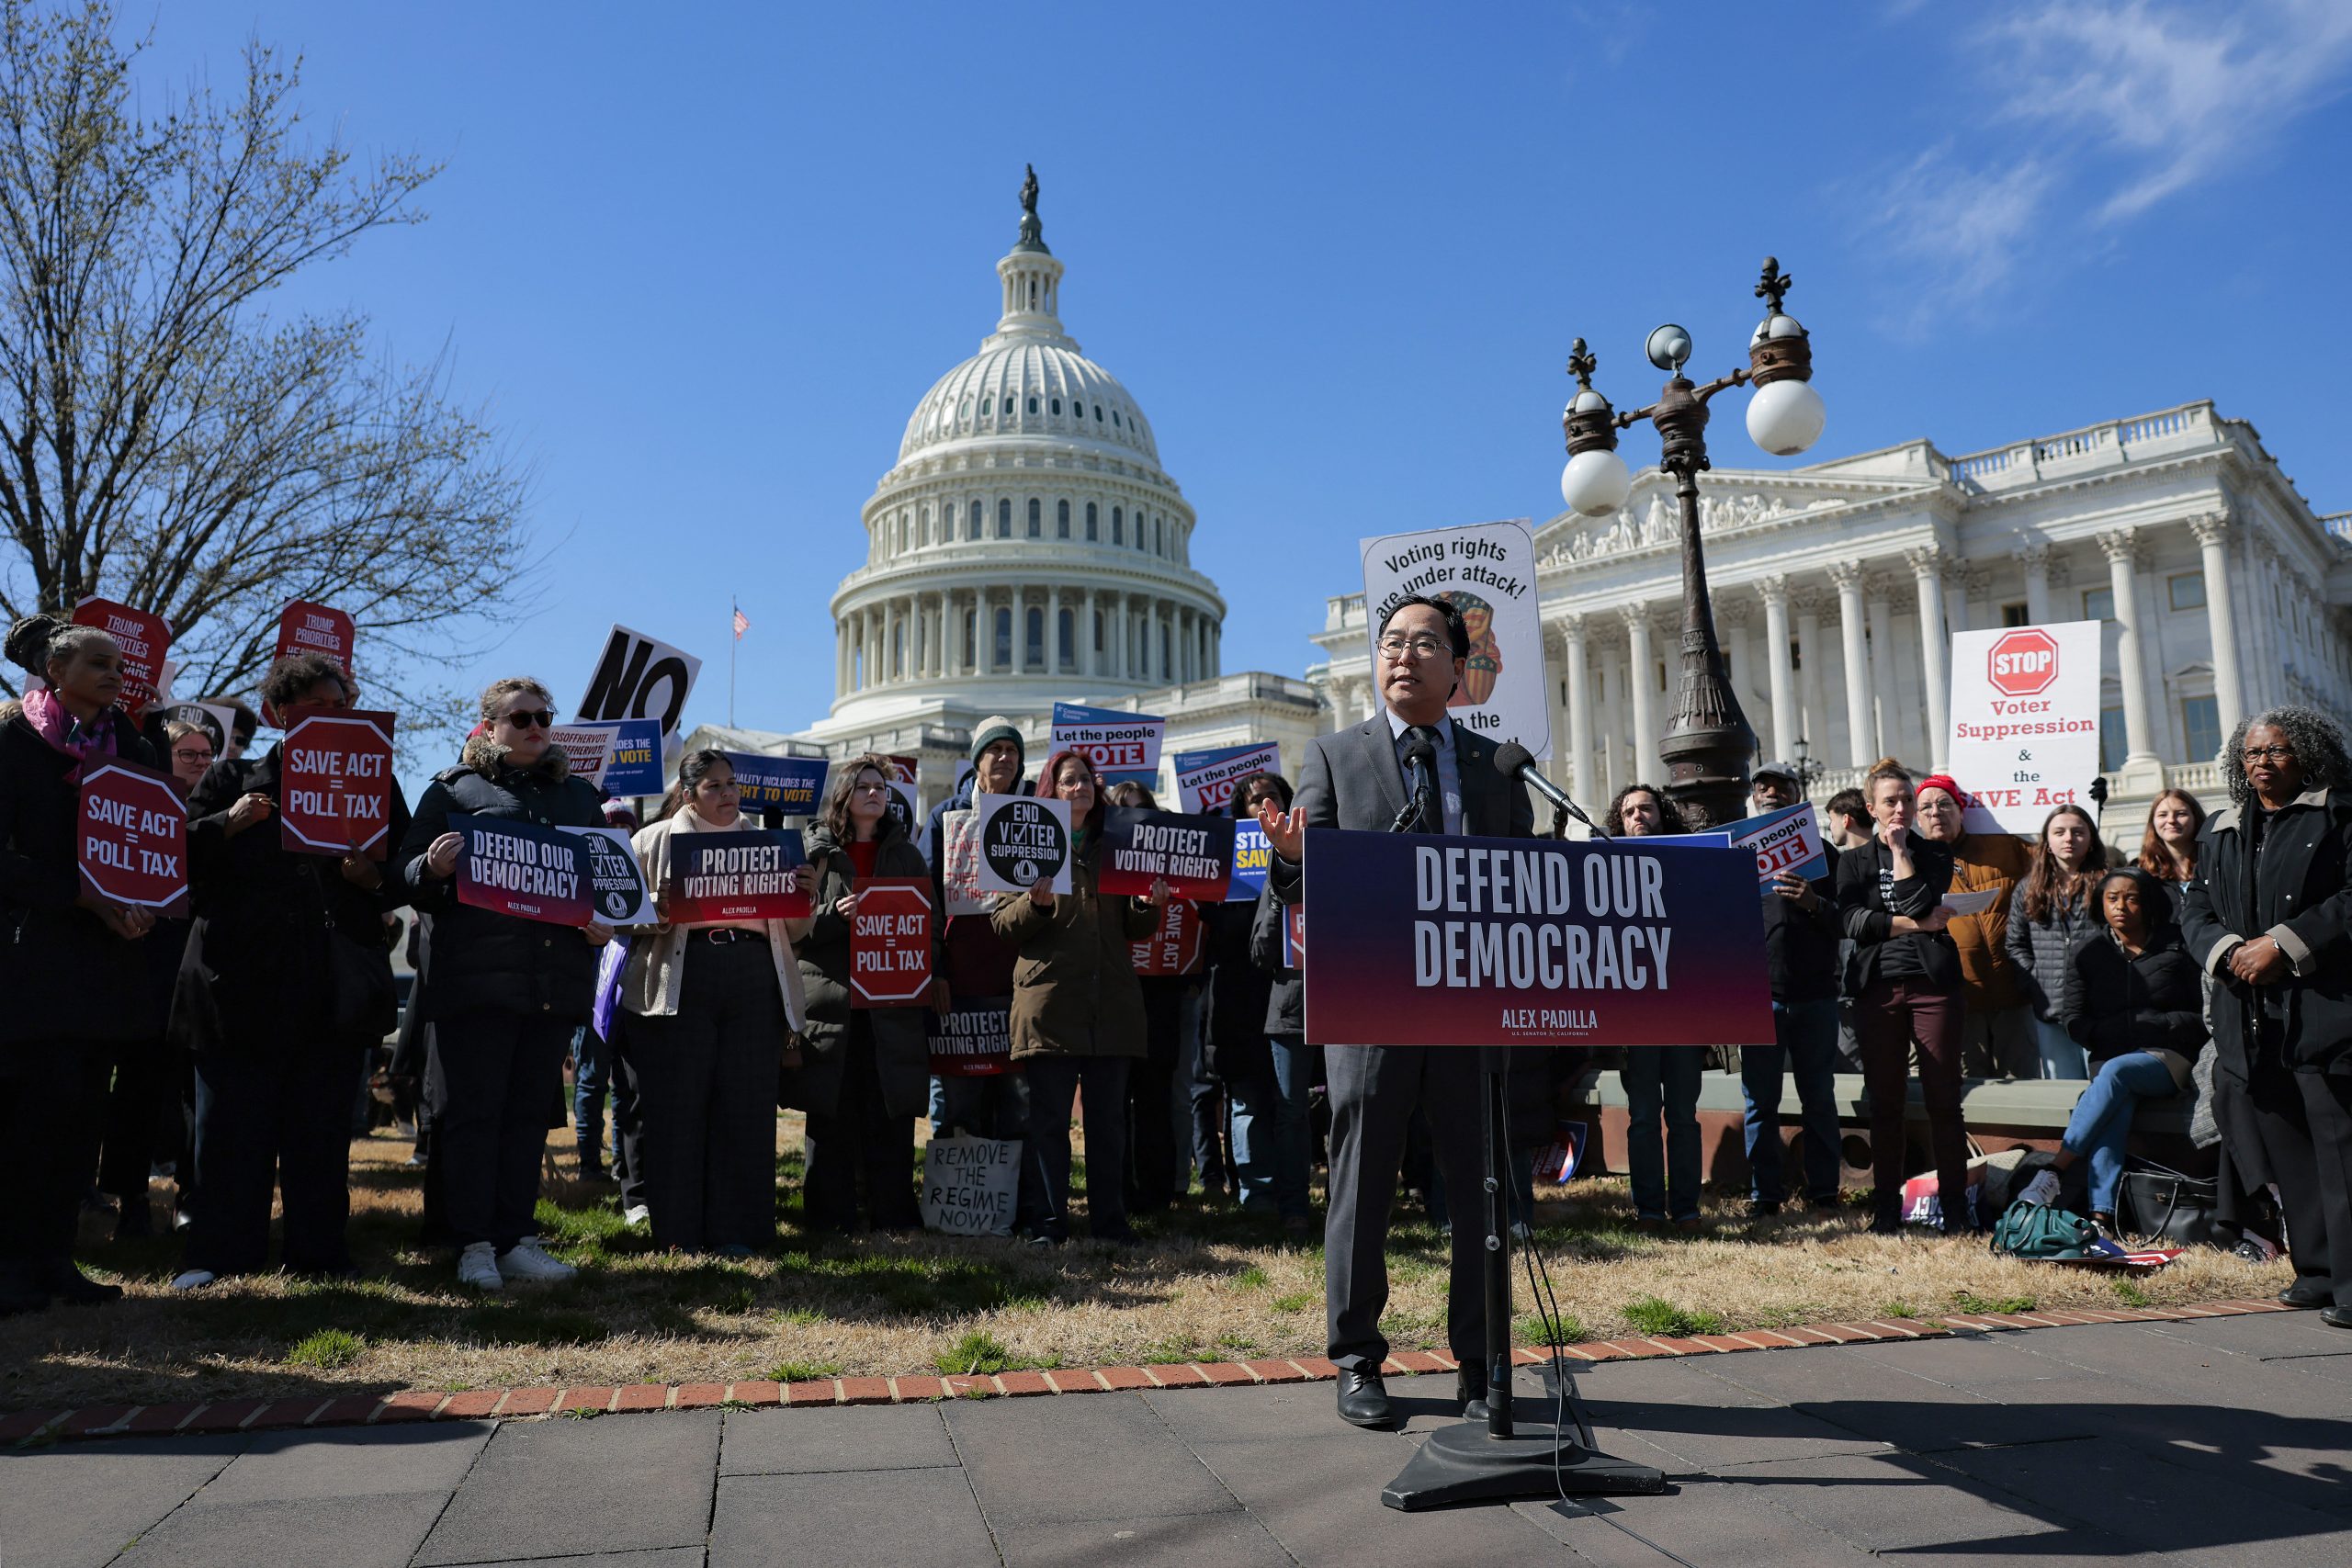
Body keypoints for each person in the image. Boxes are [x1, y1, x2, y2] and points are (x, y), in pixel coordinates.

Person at [1257, 593, 1532, 1429]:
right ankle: (1356, 1357)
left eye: (1423, 644)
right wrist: (1295, 861)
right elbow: (1303, 887)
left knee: (1480, 1187)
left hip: (1468, 1005)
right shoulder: (1334, 756)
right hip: (1370, 1002)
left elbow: (1523, 879)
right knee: (1361, 1180)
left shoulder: (1497, 767)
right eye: (1390, 643)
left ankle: (1481, 1364)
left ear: (1460, 668)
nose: (1403, 655)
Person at [169, 653, 412, 1290]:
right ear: (282, 712)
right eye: (318, 706)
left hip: (327, 989)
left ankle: (319, 1252)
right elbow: (173, 861)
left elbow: (405, 870)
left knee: (320, 1129)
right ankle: (220, 1251)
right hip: (240, 984)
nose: (333, 716)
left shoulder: (374, 782)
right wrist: (229, 823)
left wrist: (374, 879)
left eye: (342, 705)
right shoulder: (229, 779)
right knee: (232, 1129)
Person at [400, 678, 611, 1291]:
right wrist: (431, 866)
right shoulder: (453, 790)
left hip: (552, 981)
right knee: (475, 1115)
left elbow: (603, 880)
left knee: (525, 1116)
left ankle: (518, 1237)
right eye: (520, 718)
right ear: (489, 726)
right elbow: (404, 872)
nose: (535, 726)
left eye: (544, 715)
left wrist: (605, 922)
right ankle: (472, 1243)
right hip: (478, 982)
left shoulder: (577, 797)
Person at [1, 614, 163, 1314]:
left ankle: (56, 1260)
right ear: (55, 671)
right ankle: (9, 1270)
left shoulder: (130, 743)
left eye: (120, 668)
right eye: (98, 663)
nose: (114, 676)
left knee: (77, 1120)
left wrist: (148, 898)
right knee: (21, 1120)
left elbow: (155, 835)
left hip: (102, 967)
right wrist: (79, 894)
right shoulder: (11, 740)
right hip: (30, 958)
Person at [2180, 705, 2352, 1325]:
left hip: (2326, 1011)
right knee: (2289, 1144)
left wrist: (2283, 943)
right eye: (2251, 754)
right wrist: (2229, 952)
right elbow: (2195, 907)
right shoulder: (2221, 826)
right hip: (2249, 1014)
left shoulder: (2339, 812)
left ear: (2305, 753)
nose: (2261, 763)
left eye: (2275, 751)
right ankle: (2317, 1270)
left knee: (2340, 1148)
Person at [622, 751, 813, 1252]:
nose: (727, 793)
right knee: (680, 1107)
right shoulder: (653, 840)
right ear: (688, 794)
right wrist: (658, 912)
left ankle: (740, 1231)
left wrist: (803, 900)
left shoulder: (768, 844)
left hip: (753, 978)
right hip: (681, 979)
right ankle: (679, 1233)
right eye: (713, 786)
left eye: (731, 784)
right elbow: (623, 916)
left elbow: (792, 933)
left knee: (744, 1107)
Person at [990, 749, 1162, 1246]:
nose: (1080, 787)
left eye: (1086, 779)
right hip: (1049, 1006)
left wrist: (1150, 906)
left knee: (1108, 1124)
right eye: (1068, 780)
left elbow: (1135, 927)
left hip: (1111, 1004)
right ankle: (1047, 1223)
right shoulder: (1025, 839)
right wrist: (1035, 905)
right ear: (1052, 790)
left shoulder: (1120, 843)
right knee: (1048, 1125)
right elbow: (1002, 924)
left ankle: (1110, 1222)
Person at [2017, 867, 2202, 1230]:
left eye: (2131, 898)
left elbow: (2203, 1015)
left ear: (2148, 903)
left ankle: (2055, 1169)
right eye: (2112, 898)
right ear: (2101, 904)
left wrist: (2160, 1023)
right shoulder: (2090, 952)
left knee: (2116, 1075)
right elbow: (2074, 1020)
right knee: (2113, 1105)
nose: (2121, 906)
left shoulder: (2178, 946)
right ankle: (2102, 1216)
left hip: (2167, 1057)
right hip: (2109, 1058)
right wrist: (2110, 1030)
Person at [792, 753, 931, 1234]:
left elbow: (927, 926)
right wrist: (837, 916)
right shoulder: (818, 854)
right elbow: (795, 930)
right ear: (844, 797)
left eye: (881, 788)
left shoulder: (908, 855)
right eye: (864, 787)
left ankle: (892, 1214)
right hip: (834, 1003)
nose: (875, 793)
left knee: (888, 1114)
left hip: (890, 1006)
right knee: (830, 1115)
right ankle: (829, 1218)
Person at [1837, 759, 1965, 1235]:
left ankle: (1955, 1209)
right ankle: (1886, 1208)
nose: (1901, 808)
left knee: (1943, 1100)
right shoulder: (1851, 862)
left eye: (1907, 800)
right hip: (1878, 989)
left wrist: (1898, 851)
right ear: (1870, 807)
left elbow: (1916, 898)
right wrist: (1916, 924)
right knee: (1885, 1102)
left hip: (1934, 987)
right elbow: (1850, 921)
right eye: (1890, 801)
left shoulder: (1933, 854)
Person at [97, 718, 213, 1237]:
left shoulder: (222, 814)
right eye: (187, 754)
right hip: (145, 968)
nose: (200, 762)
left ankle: (193, 1196)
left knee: (197, 1094)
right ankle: (132, 1197)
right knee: (140, 1091)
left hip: (202, 971)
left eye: (207, 753)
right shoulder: (136, 810)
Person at [927, 718, 1038, 1229]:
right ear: (976, 760)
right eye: (993, 750)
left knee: (1017, 1103)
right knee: (960, 1101)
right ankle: (958, 1211)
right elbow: (927, 900)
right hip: (963, 978)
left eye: (1011, 751)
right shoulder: (945, 816)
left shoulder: (1039, 816)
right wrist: (935, 969)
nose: (1003, 759)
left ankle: (1010, 1207)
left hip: (1020, 978)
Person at [1739, 762, 1843, 1217]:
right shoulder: (1737, 855)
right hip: (1759, 999)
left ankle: (1823, 1190)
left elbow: (1846, 918)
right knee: (1759, 1103)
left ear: (1798, 799)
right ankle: (1766, 1195)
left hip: (1816, 996)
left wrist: (1813, 902)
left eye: (1781, 788)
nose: (1770, 793)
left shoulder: (1825, 856)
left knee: (1818, 1097)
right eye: (1762, 787)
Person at [1605, 781, 1709, 1228]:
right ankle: (1648, 1208)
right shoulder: (1605, 869)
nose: (1637, 817)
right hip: (1634, 1015)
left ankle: (1685, 1208)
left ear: (1662, 815)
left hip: (1683, 1011)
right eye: (1628, 812)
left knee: (1683, 1116)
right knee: (1643, 1116)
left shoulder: (1690, 864)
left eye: (1645, 809)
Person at [1102, 779, 1194, 1213]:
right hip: (1116, 989)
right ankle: (1118, 1191)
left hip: (1162, 991)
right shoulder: (1100, 862)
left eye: (1144, 812)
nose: (1136, 822)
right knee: (1115, 1101)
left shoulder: (1175, 864)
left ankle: (1157, 1194)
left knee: (1156, 1095)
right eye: (1125, 813)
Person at [1208, 773, 1295, 1226]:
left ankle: (1291, 1194)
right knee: (1246, 1100)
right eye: (1253, 800)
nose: (1263, 805)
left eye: (1272, 797)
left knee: (1288, 1103)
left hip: (1289, 996)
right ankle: (1255, 1196)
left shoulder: (1306, 854)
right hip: (1239, 1000)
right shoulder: (1223, 868)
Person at [1912, 773, 2034, 1079]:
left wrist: (2090, 811)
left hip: (2014, 993)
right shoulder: (1911, 864)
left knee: (2024, 1086)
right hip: (1959, 1000)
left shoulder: (2005, 845)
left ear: (1961, 809)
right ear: (1918, 818)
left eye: (1943, 804)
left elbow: (2056, 861)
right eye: (1925, 807)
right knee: (1971, 1090)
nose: (1935, 812)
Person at [2006, 803, 2108, 1079]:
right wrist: (2035, 979)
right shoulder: (2028, 888)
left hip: (2099, 1008)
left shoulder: (2108, 884)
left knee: (2102, 1086)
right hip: (2049, 1009)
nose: (2069, 838)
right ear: (2047, 841)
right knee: (2062, 1091)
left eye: (2078, 832)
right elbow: (2015, 944)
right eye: (2059, 832)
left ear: (2090, 838)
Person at [571, 795, 642, 1179]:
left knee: (624, 1086)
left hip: (627, 992)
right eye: (610, 828)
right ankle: (588, 1164)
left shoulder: (640, 872)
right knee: (591, 1079)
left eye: (624, 829)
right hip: (591, 992)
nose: (618, 835)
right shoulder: (581, 872)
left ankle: (620, 1163)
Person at [2136, 787, 2206, 922]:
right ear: (2153, 822)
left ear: (2195, 817)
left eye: (2180, 814)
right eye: (2163, 815)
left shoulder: (2213, 864)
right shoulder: (2143, 873)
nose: (2171, 820)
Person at [1822, 787, 1871, 851]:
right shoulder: (1885, 854)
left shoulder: (1847, 859)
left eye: (1831, 820)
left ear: (1845, 820)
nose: (1829, 828)